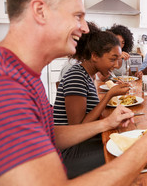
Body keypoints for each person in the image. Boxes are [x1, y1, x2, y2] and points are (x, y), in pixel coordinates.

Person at [0, 0, 147, 185]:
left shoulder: (21, 74)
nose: (85, 27)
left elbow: (50, 135)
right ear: (40, 12)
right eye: (77, 16)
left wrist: (107, 123)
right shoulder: (4, 84)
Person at [53, 22, 131, 178]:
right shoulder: (76, 76)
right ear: (95, 56)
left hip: (80, 143)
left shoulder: (87, 74)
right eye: (112, 59)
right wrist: (109, 95)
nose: (116, 65)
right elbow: (78, 127)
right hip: (67, 154)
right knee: (128, 155)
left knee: (127, 142)